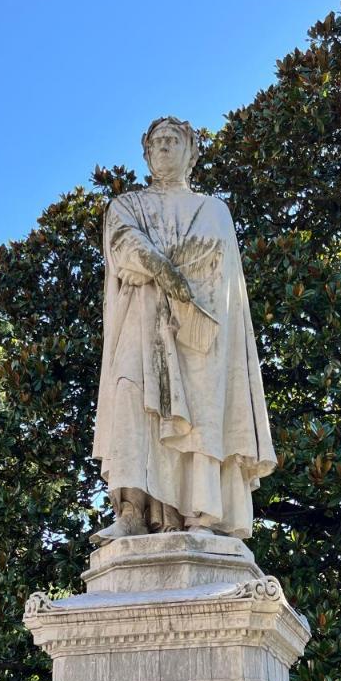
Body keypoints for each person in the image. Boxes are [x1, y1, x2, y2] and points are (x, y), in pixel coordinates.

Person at [91, 116, 275, 544]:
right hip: (139, 325)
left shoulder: (214, 210)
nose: (166, 147)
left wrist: (160, 267)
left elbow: (213, 260)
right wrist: (161, 267)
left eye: (175, 140)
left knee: (202, 416)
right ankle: (132, 511)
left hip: (199, 334)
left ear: (192, 152)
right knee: (129, 400)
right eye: (158, 142)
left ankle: (199, 513)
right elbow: (124, 247)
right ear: (146, 153)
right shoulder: (127, 206)